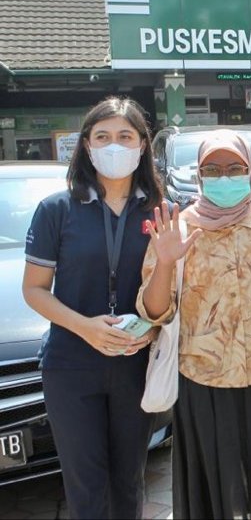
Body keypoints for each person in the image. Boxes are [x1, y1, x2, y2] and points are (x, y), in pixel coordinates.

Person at [137, 130, 251, 519]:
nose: (224, 177)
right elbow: (154, 312)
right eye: (212, 170)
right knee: (214, 496)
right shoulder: (177, 231)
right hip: (203, 387)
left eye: (234, 168)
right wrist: (165, 263)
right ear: (199, 176)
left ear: (250, 172)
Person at [21, 97, 164, 519]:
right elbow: (34, 290)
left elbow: (175, 288)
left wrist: (153, 328)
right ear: (86, 145)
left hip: (135, 364)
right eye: (102, 137)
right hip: (71, 364)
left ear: (142, 145)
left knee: (129, 481)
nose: (113, 145)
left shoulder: (161, 210)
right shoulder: (57, 209)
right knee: (85, 485)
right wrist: (86, 327)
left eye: (125, 136)